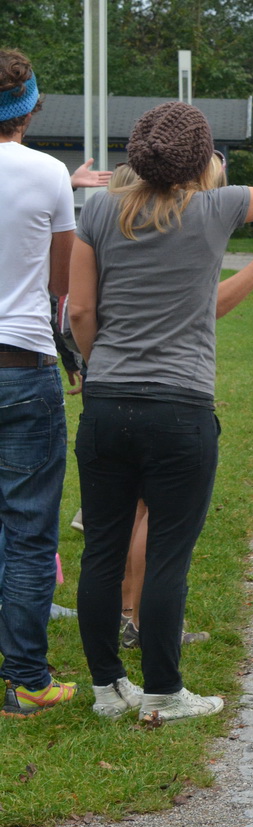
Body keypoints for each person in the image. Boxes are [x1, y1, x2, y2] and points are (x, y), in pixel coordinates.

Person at [68, 102, 253, 722]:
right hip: (180, 406)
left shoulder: (98, 209)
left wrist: (102, 370)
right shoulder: (218, 207)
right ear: (201, 157)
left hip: (107, 402)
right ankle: (163, 691)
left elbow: (79, 313)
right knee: (168, 558)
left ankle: (106, 688)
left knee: (101, 549)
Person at [0, 47, 110, 718]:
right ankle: (27, 678)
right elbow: (63, 293)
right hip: (24, 366)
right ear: (32, 107)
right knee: (30, 529)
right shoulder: (47, 177)